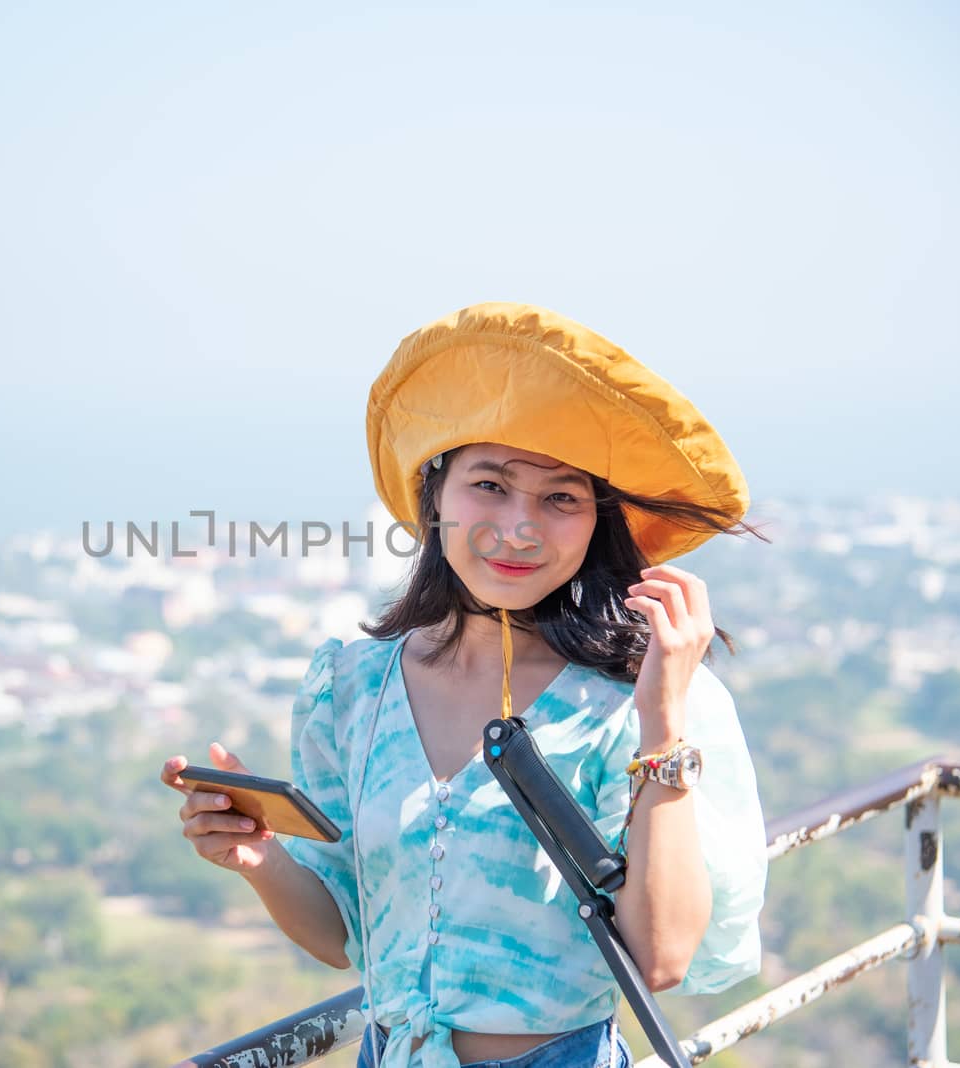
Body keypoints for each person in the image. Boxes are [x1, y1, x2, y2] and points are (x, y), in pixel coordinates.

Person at [161, 303, 769, 1068]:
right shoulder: (351, 689)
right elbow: (342, 937)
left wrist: (663, 722)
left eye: (560, 498)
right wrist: (260, 858)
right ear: (435, 496)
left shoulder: (635, 704)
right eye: (490, 485)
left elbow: (663, 957)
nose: (519, 529)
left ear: (595, 524)